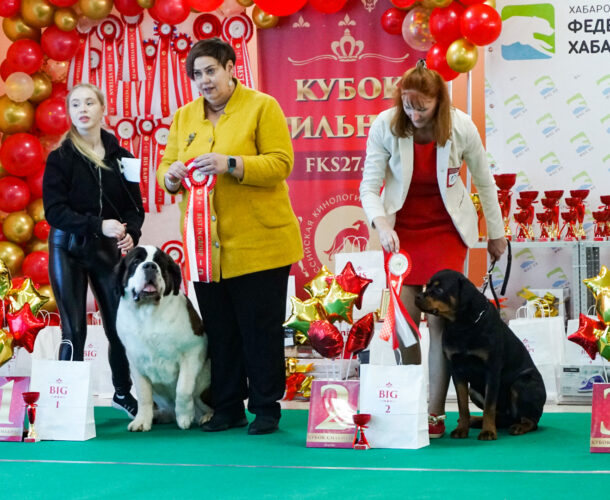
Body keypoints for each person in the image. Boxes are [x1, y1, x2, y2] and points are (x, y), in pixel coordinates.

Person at [156, 38, 303, 435]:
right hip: (207, 249)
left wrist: (231, 163)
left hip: (261, 244)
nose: (204, 80)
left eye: (210, 71)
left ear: (231, 68)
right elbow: (167, 165)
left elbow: (280, 163)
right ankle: (227, 406)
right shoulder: (185, 117)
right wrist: (169, 177)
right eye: (197, 74)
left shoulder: (262, 106)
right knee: (220, 330)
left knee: (260, 329)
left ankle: (267, 407)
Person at [359, 60, 507, 438]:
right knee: (405, 328)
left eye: (421, 106)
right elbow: (369, 186)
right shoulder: (385, 125)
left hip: (445, 230)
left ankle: (435, 416)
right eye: (408, 105)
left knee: (442, 329)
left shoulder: (460, 127)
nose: (414, 113)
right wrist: (381, 224)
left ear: (439, 101)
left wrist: (496, 233)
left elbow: (486, 184)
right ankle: (410, 404)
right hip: (401, 232)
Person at [43, 83, 145, 419]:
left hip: (107, 251)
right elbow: (54, 211)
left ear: (103, 109)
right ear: (70, 113)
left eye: (89, 102)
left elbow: (134, 208)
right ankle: (64, 405)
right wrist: (97, 224)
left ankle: (122, 392)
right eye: (75, 104)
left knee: (119, 326)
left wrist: (131, 233)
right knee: (74, 329)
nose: (83, 109)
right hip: (67, 247)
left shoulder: (124, 157)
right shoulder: (60, 158)